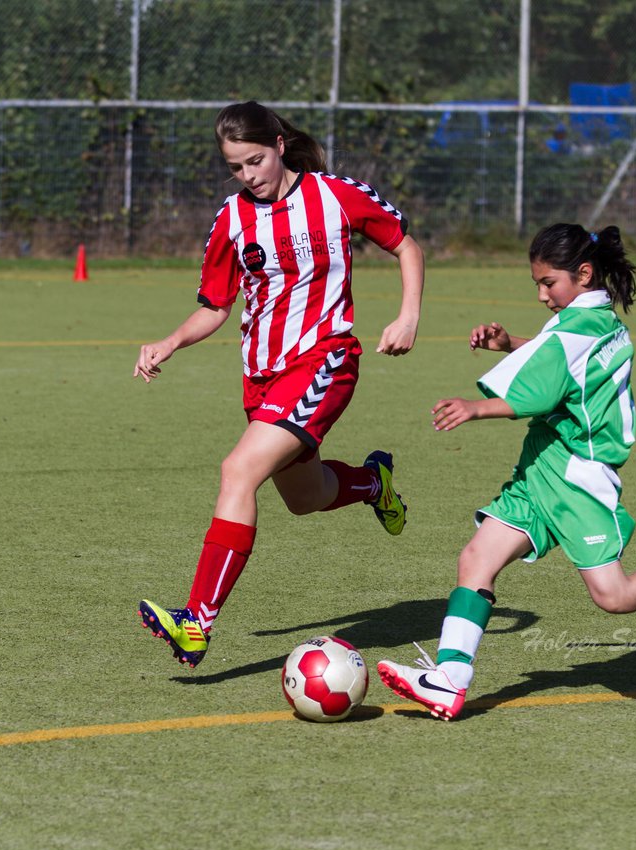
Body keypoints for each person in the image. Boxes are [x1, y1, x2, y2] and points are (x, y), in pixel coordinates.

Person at [376, 224, 636, 721]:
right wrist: (510, 342)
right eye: (536, 283)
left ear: (583, 274)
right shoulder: (589, 320)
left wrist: (475, 407)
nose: (541, 294)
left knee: (614, 597)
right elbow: (557, 358)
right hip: (542, 463)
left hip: (579, 475)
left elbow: (541, 390)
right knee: (476, 559)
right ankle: (450, 679)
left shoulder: (582, 328)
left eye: (548, 283)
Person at [134, 100, 425, 668]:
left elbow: (405, 245)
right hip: (262, 378)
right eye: (236, 167)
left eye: (255, 161)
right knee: (304, 497)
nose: (248, 176)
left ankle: (197, 622)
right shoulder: (231, 218)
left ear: (279, 145)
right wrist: (170, 341)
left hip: (325, 360)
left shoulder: (335, 195)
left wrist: (408, 314)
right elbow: (215, 306)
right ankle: (373, 483)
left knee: (237, 470)